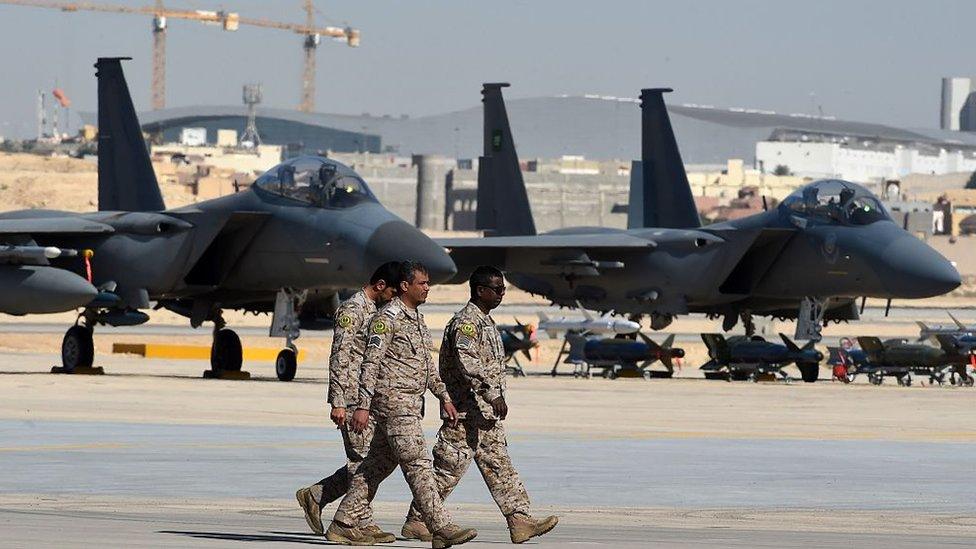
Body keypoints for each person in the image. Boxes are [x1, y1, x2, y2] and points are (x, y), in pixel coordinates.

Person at [325, 261, 478, 548]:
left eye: (428, 283)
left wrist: (443, 396)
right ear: (405, 286)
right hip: (393, 405)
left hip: (410, 403)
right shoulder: (387, 319)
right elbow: (369, 362)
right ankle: (440, 526)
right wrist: (362, 405)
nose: (427, 288)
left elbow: (425, 365)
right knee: (418, 464)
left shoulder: (416, 319)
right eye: (422, 283)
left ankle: (343, 522)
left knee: (377, 465)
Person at [402, 266, 558, 544]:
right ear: (480, 291)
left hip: (483, 415)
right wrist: (491, 394)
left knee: (499, 465)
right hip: (465, 412)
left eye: (503, 289)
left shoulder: (486, 322)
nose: (501, 294)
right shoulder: (467, 323)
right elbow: (468, 364)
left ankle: (519, 520)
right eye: (497, 289)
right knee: (447, 470)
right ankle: (418, 521)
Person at [295, 261, 401, 542]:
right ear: (380, 286)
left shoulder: (376, 311)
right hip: (352, 397)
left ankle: (318, 495)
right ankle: (357, 522)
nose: (393, 299)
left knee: (376, 459)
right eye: (392, 292)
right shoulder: (352, 310)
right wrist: (338, 402)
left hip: (368, 398)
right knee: (363, 461)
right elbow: (339, 357)